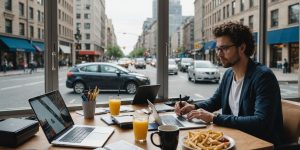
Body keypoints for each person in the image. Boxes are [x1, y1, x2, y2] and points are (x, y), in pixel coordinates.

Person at [175, 22, 283, 146]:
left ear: (242, 48)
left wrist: (214, 118)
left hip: (259, 143)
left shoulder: (263, 76)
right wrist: (193, 107)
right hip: (234, 138)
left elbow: (261, 122)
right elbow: (215, 101)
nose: (219, 54)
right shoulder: (228, 74)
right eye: (218, 49)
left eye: (224, 48)